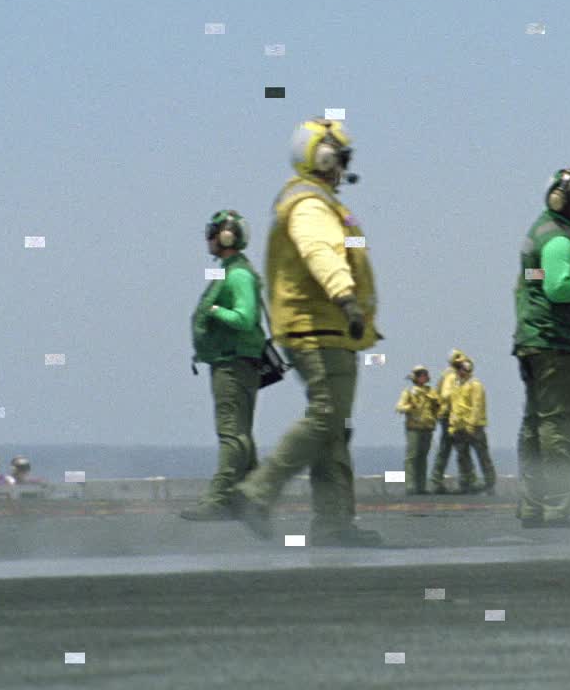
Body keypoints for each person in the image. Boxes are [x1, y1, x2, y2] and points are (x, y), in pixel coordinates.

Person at [232, 116, 384, 547]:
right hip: (318, 326)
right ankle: (257, 493)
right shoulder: (310, 205)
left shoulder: (322, 202)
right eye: (341, 157)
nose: (344, 167)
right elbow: (321, 252)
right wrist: (345, 298)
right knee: (326, 416)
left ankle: (333, 525)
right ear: (324, 156)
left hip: (329, 329)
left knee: (334, 426)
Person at [512, 167, 570, 528]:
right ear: (562, 201)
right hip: (555, 344)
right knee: (561, 426)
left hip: (533, 341)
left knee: (535, 426)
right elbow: (559, 288)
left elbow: (529, 283)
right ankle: (559, 506)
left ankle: (533, 505)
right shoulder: (560, 241)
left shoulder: (540, 233)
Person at [182, 209, 267, 521]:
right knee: (241, 432)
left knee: (232, 433)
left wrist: (216, 310)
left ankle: (219, 499)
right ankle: (253, 502)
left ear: (227, 236)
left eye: (213, 232)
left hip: (234, 364)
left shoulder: (238, 275)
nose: (208, 238)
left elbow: (245, 319)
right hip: (227, 362)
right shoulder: (228, 271)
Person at [448, 359, 496, 494]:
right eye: (457, 369)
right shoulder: (458, 385)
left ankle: (489, 484)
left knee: (482, 455)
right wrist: (452, 425)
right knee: (462, 457)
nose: (458, 371)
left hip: (475, 427)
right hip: (460, 427)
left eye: (461, 369)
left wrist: (471, 424)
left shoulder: (475, 385)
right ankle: (466, 484)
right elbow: (455, 407)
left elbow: (477, 406)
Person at [430, 349, 470, 493]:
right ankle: (465, 482)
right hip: (450, 415)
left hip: (448, 414)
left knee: (446, 448)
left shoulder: (447, 374)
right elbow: (446, 394)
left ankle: (436, 481)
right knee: (459, 448)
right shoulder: (452, 376)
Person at [395, 365, 439, 495]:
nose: (423, 377)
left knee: (423, 457)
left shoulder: (431, 392)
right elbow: (399, 407)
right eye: (421, 374)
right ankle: (410, 485)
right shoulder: (408, 392)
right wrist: (410, 406)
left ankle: (421, 486)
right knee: (412, 457)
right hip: (413, 428)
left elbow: (438, 407)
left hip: (427, 428)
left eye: (425, 374)